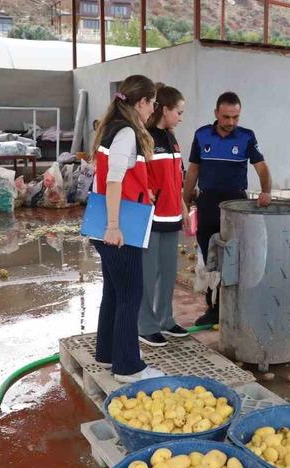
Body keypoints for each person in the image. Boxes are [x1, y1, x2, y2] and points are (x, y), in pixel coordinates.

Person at [89, 74, 164, 383]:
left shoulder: (112, 127)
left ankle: (108, 353)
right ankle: (128, 367)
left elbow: (118, 177)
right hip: (118, 227)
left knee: (115, 291)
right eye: (152, 103)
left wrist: (143, 193)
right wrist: (114, 226)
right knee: (131, 294)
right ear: (142, 102)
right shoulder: (126, 133)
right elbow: (113, 180)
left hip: (106, 222)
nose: (153, 109)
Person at [183, 92, 273, 326]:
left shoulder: (246, 137)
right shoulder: (202, 135)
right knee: (210, 256)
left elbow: (262, 168)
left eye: (235, 117)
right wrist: (185, 201)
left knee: (235, 256)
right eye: (226, 117)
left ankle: (235, 307)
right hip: (208, 204)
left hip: (236, 205)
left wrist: (266, 191)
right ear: (216, 113)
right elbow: (193, 171)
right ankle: (213, 308)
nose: (231, 122)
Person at [138, 83, 190, 347]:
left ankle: (165, 320)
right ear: (165, 109)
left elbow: (176, 180)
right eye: (178, 112)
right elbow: (138, 176)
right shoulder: (145, 138)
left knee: (168, 273)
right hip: (151, 218)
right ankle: (145, 325)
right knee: (148, 274)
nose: (180, 118)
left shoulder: (172, 139)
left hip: (172, 217)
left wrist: (183, 208)